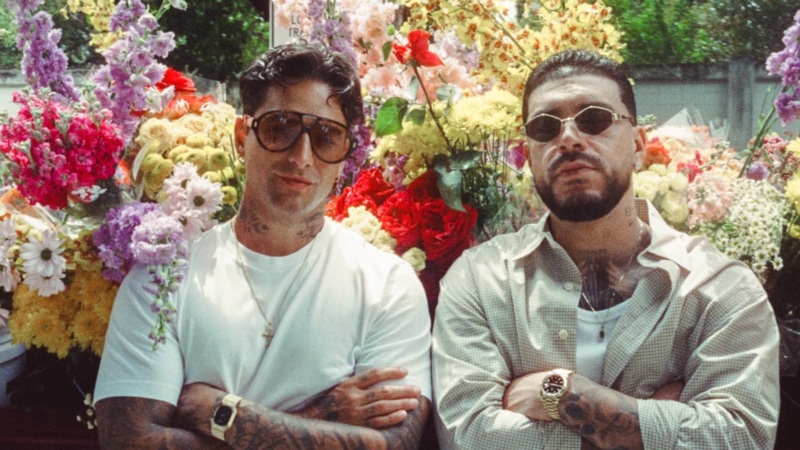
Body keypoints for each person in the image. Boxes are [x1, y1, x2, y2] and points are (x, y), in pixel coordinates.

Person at [432, 49, 780, 449]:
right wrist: (653, 421)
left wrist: (562, 393)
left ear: (638, 145)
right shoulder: (480, 280)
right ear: (527, 155)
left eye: (594, 119)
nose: (568, 138)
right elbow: (468, 436)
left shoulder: (717, 288)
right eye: (545, 127)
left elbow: (741, 438)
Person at [94, 42, 431, 449]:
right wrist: (324, 414)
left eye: (327, 136)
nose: (302, 156)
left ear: (345, 153)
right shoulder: (164, 277)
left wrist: (224, 414)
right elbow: (130, 442)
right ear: (242, 136)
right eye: (280, 127)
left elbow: (395, 446)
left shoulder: (386, 284)